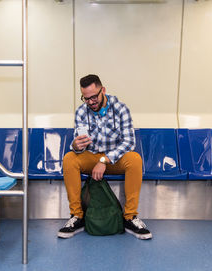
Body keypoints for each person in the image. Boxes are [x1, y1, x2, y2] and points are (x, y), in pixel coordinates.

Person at [57, 74, 152, 240]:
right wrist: (76, 146)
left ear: (103, 91)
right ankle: (77, 216)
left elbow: (129, 142)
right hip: (91, 156)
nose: (91, 102)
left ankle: (130, 217)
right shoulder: (81, 112)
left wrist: (104, 160)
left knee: (135, 159)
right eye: (86, 98)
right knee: (69, 158)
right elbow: (78, 146)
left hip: (112, 159)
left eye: (94, 96)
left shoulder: (121, 109)